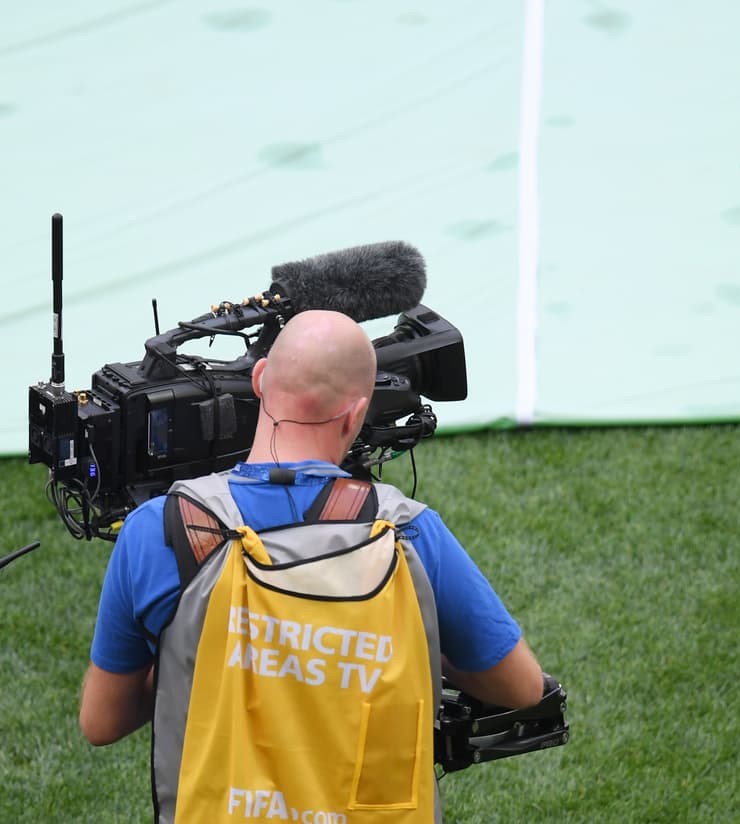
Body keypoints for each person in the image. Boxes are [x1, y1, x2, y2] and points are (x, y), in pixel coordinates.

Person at [79, 309, 545, 823]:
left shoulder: (159, 528)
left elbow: (102, 721)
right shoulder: (409, 532)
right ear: (356, 414)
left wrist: (208, 652)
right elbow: (521, 688)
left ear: (260, 381)